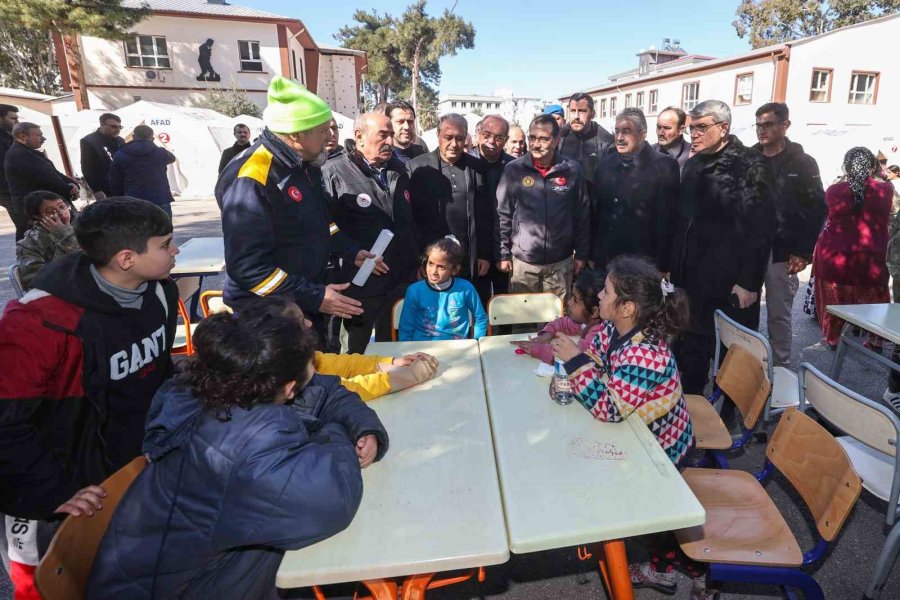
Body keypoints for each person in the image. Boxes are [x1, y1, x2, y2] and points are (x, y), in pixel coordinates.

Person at [86, 297, 389, 599]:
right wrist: (334, 429)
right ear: (286, 388)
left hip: (182, 573)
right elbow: (330, 501)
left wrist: (362, 427)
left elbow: (327, 392)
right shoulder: (246, 445)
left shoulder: (223, 386)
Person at [0, 198, 179, 600]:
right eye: (166, 244)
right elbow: (6, 426)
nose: (175, 251)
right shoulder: (38, 324)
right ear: (127, 258)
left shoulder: (160, 294)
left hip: (123, 477)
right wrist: (55, 489)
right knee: (48, 587)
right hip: (45, 491)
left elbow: (155, 375)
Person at [549, 255, 714, 600]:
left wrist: (575, 363)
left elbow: (609, 408)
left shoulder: (648, 354)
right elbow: (595, 358)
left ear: (626, 308)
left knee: (662, 521)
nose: (599, 297)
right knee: (651, 516)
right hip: (639, 437)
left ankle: (698, 571)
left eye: (607, 292)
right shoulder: (615, 329)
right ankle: (665, 568)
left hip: (664, 450)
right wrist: (577, 369)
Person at [216, 76, 380, 336]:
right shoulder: (253, 176)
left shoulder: (305, 163)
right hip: (266, 317)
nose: (330, 136)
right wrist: (314, 296)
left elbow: (321, 221)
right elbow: (249, 268)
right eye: (322, 130)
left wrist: (350, 251)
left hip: (299, 303)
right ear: (294, 135)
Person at [669, 100, 775, 394]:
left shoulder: (752, 165)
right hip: (690, 277)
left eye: (702, 127)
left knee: (732, 352)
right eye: (692, 128)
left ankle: (729, 414)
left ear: (723, 128)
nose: (695, 134)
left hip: (729, 280)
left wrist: (748, 282)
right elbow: (682, 221)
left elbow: (761, 228)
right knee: (691, 346)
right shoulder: (693, 164)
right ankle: (688, 407)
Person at [322, 112, 420, 353]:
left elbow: (411, 221)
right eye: (382, 135)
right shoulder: (333, 173)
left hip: (400, 279)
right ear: (359, 137)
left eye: (391, 135)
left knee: (394, 349)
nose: (390, 141)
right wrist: (352, 251)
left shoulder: (400, 170)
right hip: (360, 281)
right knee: (355, 350)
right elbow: (323, 225)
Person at [752, 102, 826, 367]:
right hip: (750, 249)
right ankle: (742, 370)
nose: (762, 130)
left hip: (783, 253)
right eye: (759, 124)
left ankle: (779, 370)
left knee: (778, 314)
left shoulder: (803, 162)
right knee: (743, 310)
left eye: (769, 124)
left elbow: (818, 208)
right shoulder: (749, 158)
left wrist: (804, 252)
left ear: (785, 125)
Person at [496, 114, 591, 301]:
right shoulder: (514, 170)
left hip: (560, 263)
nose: (536, 144)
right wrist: (503, 253)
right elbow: (503, 214)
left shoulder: (572, 170)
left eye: (543, 139)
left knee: (555, 322)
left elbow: (582, 214)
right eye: (532, 138)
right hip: (524, 264)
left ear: (556, 140)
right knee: (523, 321)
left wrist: (582, 254)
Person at [813, 147, 893, 349]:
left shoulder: (833, 191)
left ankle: (832, 338)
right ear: (872, 167)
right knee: (874, 302)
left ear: (846, 166)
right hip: (871, 258)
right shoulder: (885, 191)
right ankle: (875, 340)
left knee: (834, 303)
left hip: (834, 257)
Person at [592, 108, 680, 271]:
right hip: (606, 260)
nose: (619, 138)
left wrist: (662, 266)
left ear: (642, 134)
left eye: (626, 132)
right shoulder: (605, 163)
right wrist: (592, 254)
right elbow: (596, 212)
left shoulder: (664, 166)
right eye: (617, 131)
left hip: (641, 264)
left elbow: (667, 221)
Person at [408, 113, 487, 282]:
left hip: (467, 257)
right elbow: (410, 219)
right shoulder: (416, 168)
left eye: (459, 138)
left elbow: (485, 215)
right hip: (431, 258)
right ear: (438, 135)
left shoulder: (477, 168)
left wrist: (484, 254)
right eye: (448, 137)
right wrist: (420, 260)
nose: (454, 144)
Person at [399, 236, 488, 341]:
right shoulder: (414, 291)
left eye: (441, 267)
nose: (433, 271)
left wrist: (477, 342)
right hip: (421, 349)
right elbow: (405, 328)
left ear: (455, 269)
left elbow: (480, 318)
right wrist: (408, 352)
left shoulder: (465, 288)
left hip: (457, 348)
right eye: (430, 263)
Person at [511, 268, 606, 364]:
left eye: (575, 300)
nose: (569, 302)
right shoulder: (585, 322)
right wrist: (547, 335)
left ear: (594, 312)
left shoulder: (599, 334)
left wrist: (536, 349)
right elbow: (561, 323)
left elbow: (575, 358)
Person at [4, 122, 79, 241]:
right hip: (33, 208)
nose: (43, 138)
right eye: (38, 135)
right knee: (36, 241)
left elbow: (54, 172)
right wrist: (69, 189)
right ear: (23, 136)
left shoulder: (31, 153)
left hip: (43, 204)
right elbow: (46, 178)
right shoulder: (19, 154)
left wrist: (71, 183)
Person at [473, 114, 515, 304]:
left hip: (505, 247)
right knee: (477, 305)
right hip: (475, 248)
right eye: (486, 134)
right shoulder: (466, 163)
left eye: (499, 137)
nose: (491, 141)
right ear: (478, 133)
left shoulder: (514, 166)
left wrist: (504, 252)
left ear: (505, 140)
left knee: (504, 303)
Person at [15, 191, 80, 290]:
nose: (61, 213)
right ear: (37, 217)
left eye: (62, 207)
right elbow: (36, 281)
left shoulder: (84, 226)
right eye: (51, 212)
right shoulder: (30, 244)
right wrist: (64, 235)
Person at [109, 125, 177, 217]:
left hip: (133, 199)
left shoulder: (121, 154)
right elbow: (172, 158)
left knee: (137, 229)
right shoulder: (161, 152)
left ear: (133, 137)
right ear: (152, 138)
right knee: (164, 230)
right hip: (160, 197)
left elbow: (115, 180)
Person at [558, 92, 614, 191]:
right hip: (564, 202)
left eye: (582, 111)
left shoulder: (607, 142)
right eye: (572, 111)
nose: (576, 116)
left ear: (593, 114)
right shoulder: (558, 139)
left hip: (594, 203)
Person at [80, 113, 125, 198]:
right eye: (114, 127)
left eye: (120, 127)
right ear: (102, 125)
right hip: (105, 187)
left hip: (122, 185)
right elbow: (87, 167)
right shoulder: (89, 141)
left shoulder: (120, 140)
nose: (118, 130)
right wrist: (96, 189)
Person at [0, 104, 24, 235]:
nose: (17, 122)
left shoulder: (10, 136)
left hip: (15, 189)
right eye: (13, 118)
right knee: (24, 224)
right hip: (8, 190)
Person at [386, 100, 427, 164]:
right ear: (389, 123)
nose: (406, 127)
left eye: (410, 122)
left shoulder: (422, 154)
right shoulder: (383, 158)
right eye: (400, 121)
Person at [653, 106, 691, 172]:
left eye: (667, 128)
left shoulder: (693, 155)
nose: (660, 133)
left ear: (681, 130)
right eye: (659, 127)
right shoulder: (648, 153)